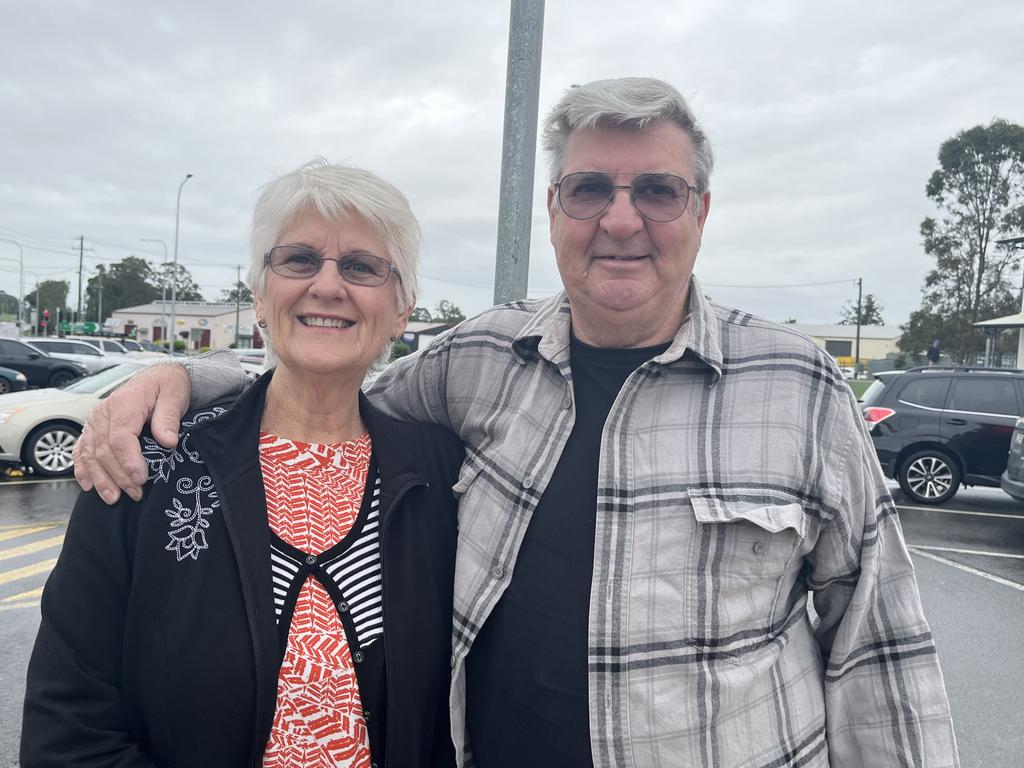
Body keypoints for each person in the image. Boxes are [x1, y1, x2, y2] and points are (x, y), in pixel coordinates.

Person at [72, 78, 959, 767]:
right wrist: (176, 373)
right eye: (587, 190)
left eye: (658, 190)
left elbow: (880, 648)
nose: (621, 220)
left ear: (701, 212)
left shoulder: (798, 385)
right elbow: (329, 372)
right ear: (553, 210)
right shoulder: (482, 360)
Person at [22, 160, 463, 767]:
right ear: (259, 294)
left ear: (402, 308)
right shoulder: (152, 466)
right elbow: (68, 724)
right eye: (299, 259)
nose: (328, 287)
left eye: (362, 267)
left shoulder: (444, 476)